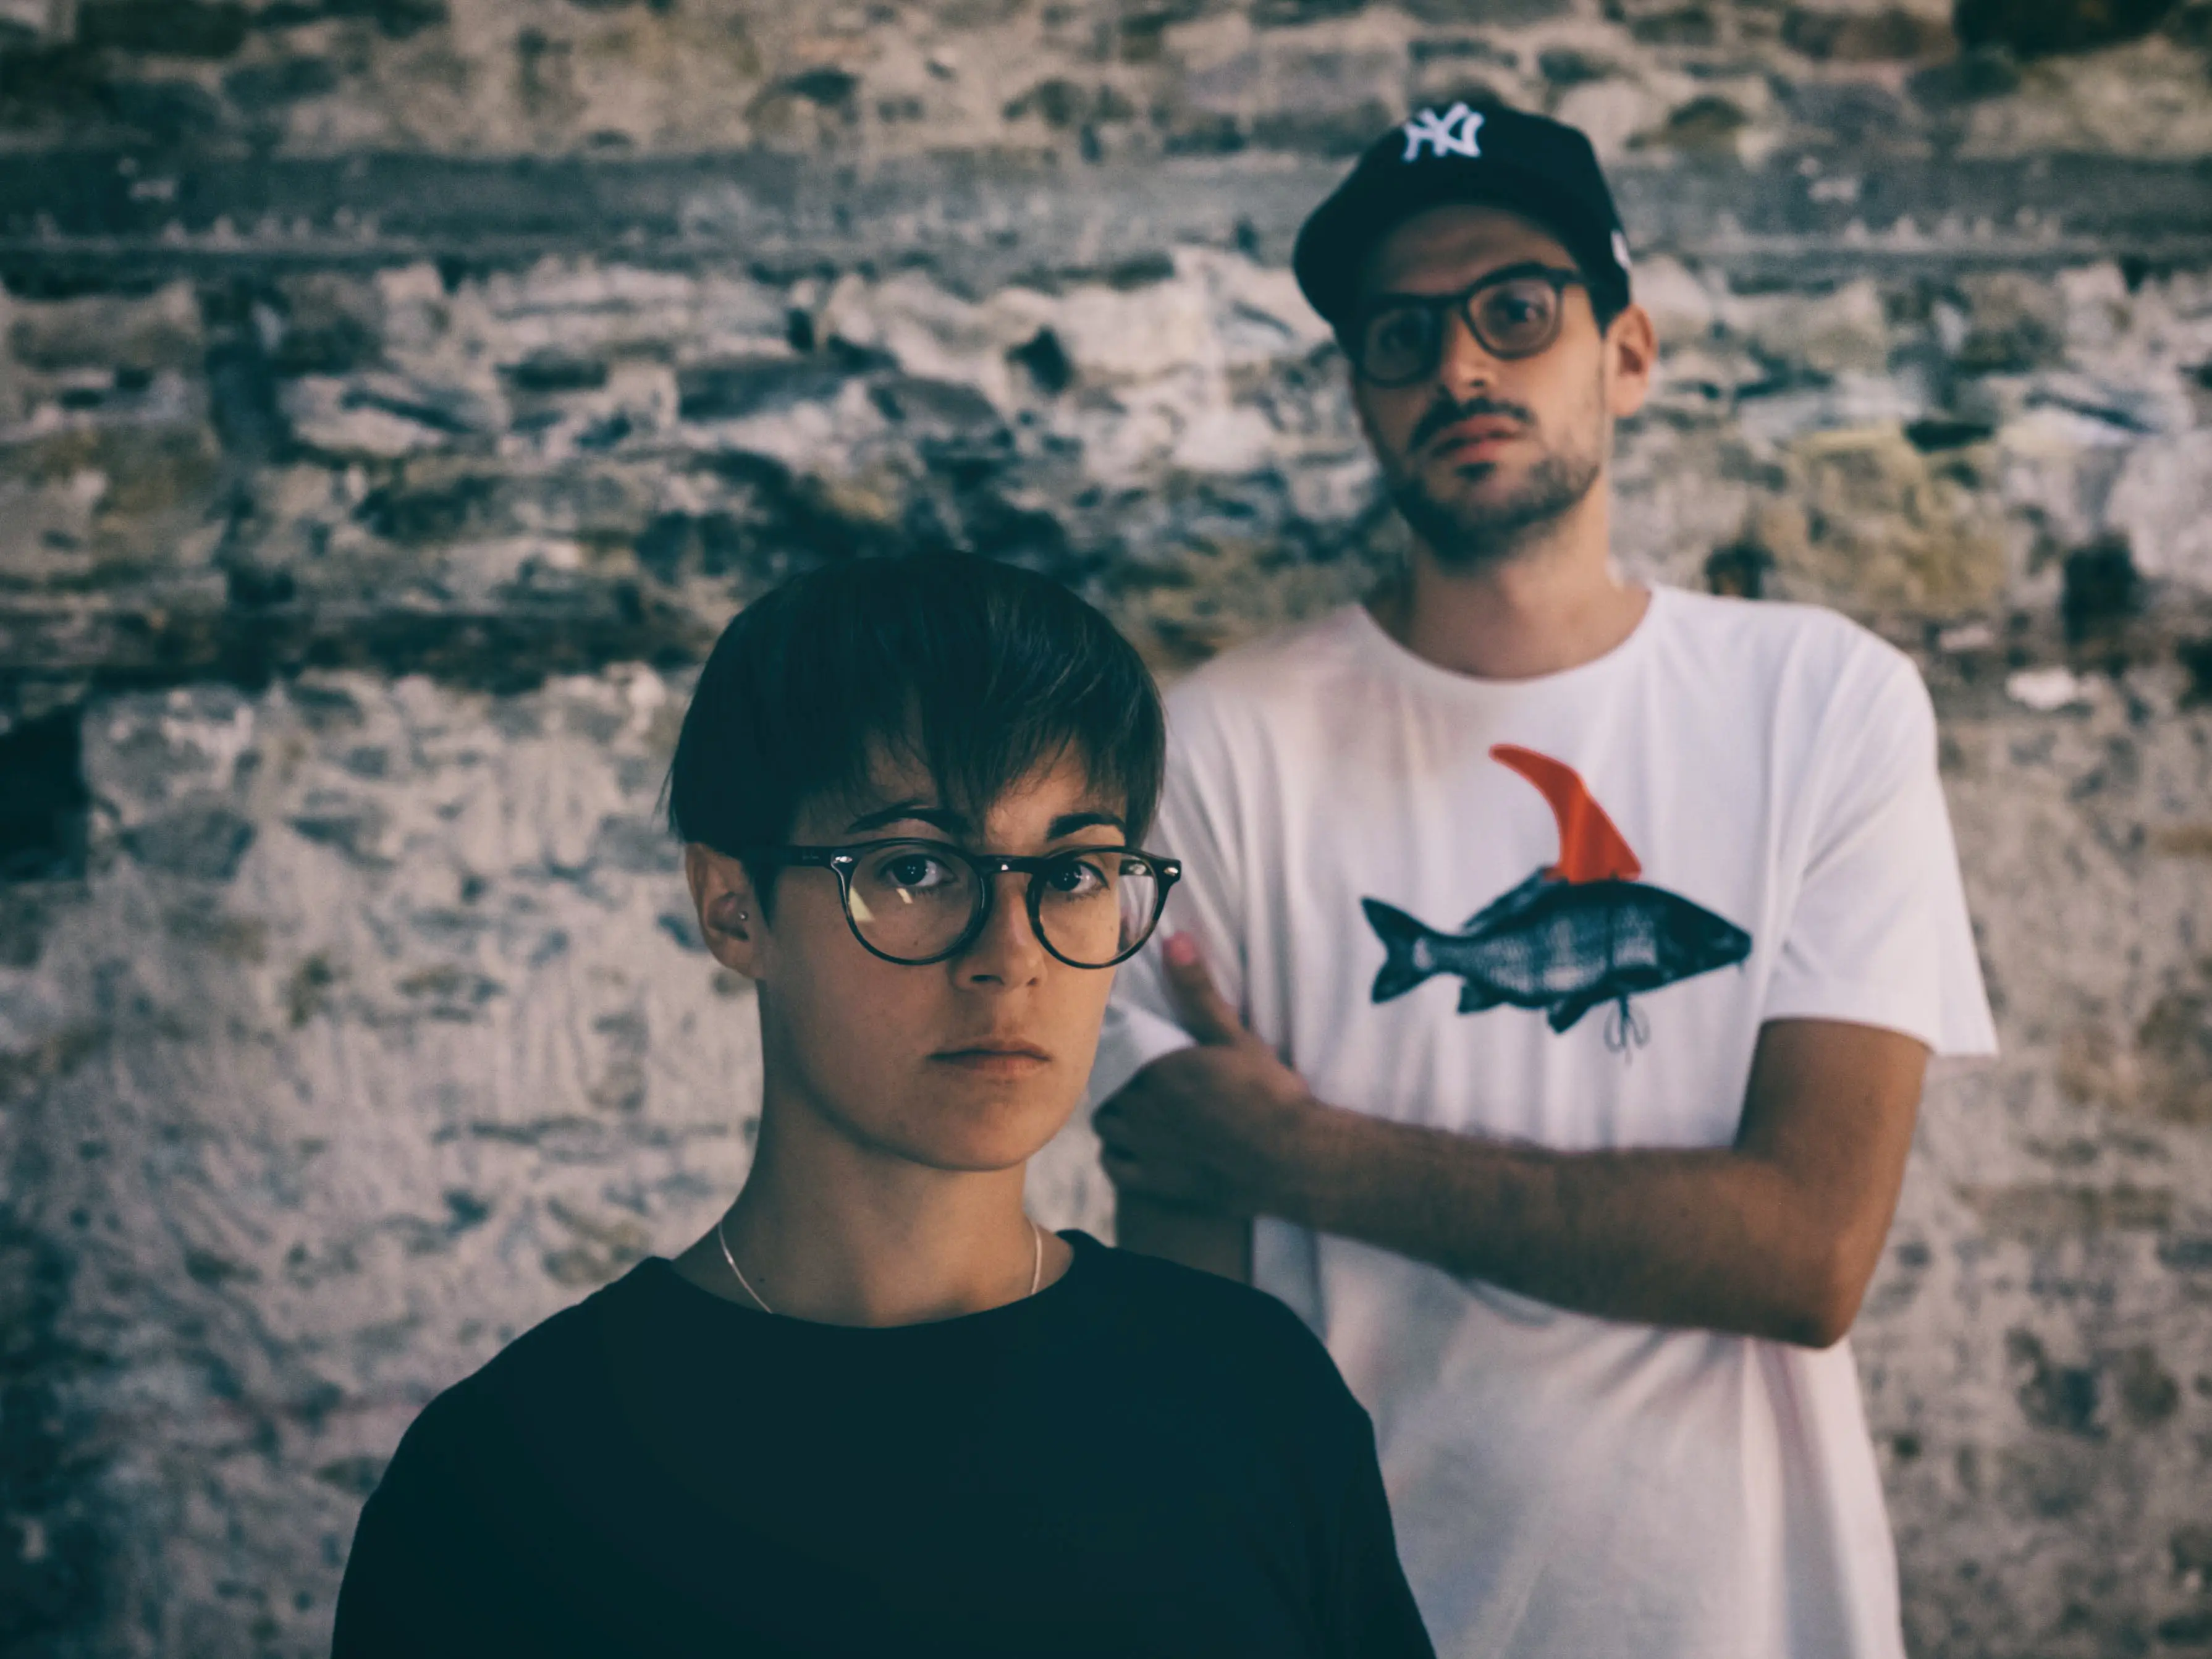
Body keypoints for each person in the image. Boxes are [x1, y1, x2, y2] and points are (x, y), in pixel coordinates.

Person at [1089, 102, 1996, 1659]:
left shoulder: (1824, 703)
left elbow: (1804, 1251)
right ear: (1360, 395)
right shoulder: (1218, 747)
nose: (1458, 367)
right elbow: (1184, 1263)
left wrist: (1301, 1152)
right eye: (1399, 334)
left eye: (1513, 309)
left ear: (1624, 352)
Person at [331, 552, 1433, 1658]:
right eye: (914, 868)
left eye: (1073, 874)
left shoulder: (1255, 1402)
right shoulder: (507, 1485)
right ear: (733, 908)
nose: (1012, 955)